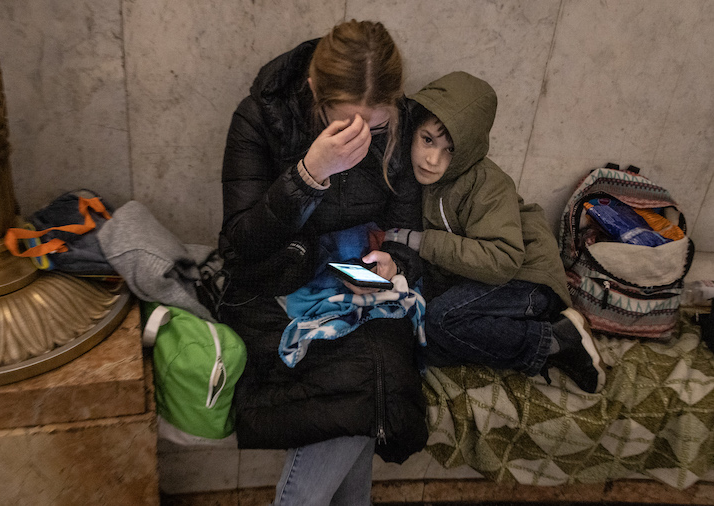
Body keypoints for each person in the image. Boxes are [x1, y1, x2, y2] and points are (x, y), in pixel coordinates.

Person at [215, 20, 428, 505]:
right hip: (275, 287)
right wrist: (309, 174)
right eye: (345, 124)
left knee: (370, 383)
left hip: (362, 297)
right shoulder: (261, 118)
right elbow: (240, 248)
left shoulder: (403, 124)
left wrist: (393, 264)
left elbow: (407, 235)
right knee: (354, 395)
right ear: (314, 90)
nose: (361, 137)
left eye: (373, 126)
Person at [385, 71, 606, 394]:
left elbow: (503, 259)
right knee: (424, 345)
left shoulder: (487, 183)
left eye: (450, 150)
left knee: (442, 319)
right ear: (413, 132)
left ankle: (554, 341)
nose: (432, 159)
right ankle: (535, 332)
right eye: (428, 140)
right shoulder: (422, 179)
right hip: (485, 280)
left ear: (467, 151)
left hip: (528, 279)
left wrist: (420, 242)